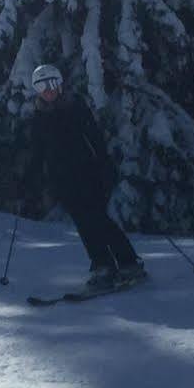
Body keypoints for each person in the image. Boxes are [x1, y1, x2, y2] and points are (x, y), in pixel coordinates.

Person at [27, 63, 145, 291]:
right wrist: (32, 178)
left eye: (51, 84)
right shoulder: (40, 116)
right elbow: (38, 150)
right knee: (84, 223)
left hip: (88, 173)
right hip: (63, 179)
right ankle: (103, 265)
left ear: (59, 84)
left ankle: (127, 262)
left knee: (98, 219)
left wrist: (105, 166)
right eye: (41, 86)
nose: (47, 91)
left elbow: (95, 138)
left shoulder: (74, 107)